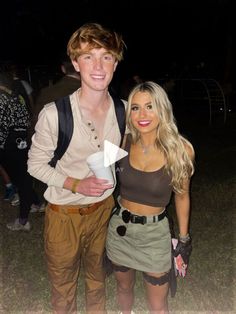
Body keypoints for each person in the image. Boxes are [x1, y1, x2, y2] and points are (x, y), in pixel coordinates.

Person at [27, 22, 126, 313]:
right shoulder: (54, 114)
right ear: (75, 63)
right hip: (64, 216)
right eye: (88, 56)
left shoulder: (123, 110)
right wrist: (75, 183)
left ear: (115, 63)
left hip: (102, 211)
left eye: (106, 56)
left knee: (97, 280)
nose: (98, 65)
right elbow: (34, 164)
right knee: (63, 287)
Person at [106, 81, 195, 313]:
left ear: (162, 109)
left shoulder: (181, 149)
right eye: (135, 108)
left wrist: (184, 241)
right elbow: (91, 165)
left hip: (155, 235)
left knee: (158, 304)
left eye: (150, 106)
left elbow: (182, 197)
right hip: (120, 229)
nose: (142, 115)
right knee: (123, 290)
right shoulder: (121, 142)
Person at [29, 55, 81, 213]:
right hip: (83, 148)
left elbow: (36, 122)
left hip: (55, 146)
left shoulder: (48, 92)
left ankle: (55, 203)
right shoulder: (94, 90)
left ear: (63, 68)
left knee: (54, 178)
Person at [0, 71, 40, 231]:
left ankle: (23, 220)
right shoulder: (15, 95)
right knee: (22, 177)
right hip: (22, 141)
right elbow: (26, 119)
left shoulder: (1, 98)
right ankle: (36, 203)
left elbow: (1, 127)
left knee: (21, 180)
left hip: (10, 144)